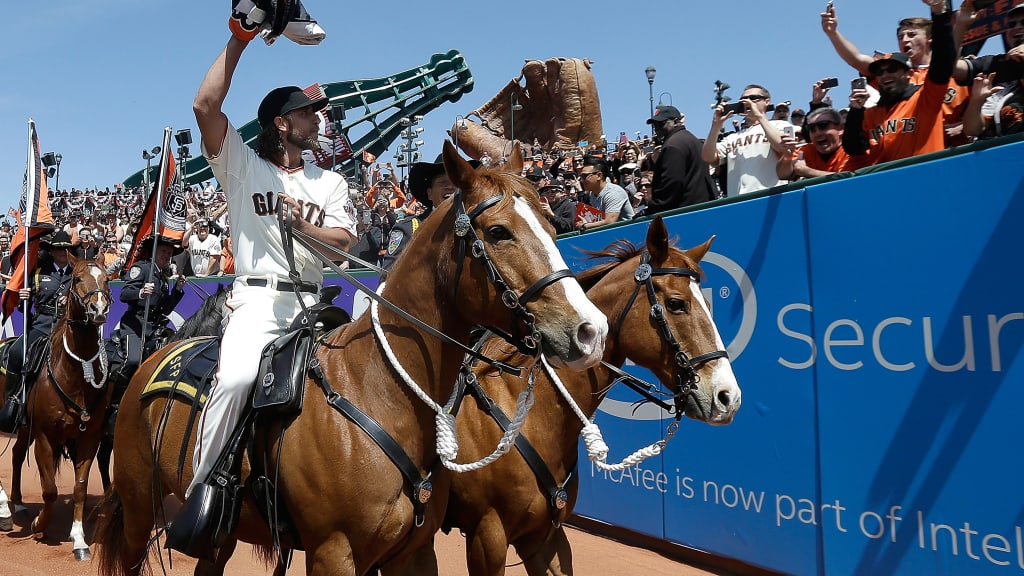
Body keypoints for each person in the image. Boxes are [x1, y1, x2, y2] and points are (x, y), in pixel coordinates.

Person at [185, 30, 357, 505]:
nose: (314, 119)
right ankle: (203, 492)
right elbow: (204, 107)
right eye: (304, 113)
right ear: (281, 124)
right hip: (259, 301)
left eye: (313, 112)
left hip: (315, 303)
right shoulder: (243, 166)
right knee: (238, 379)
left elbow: (343, 245)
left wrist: (306, 228)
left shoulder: (332, 181)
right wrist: (239, 40)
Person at [821, 2, 970, 146]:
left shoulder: (958, 70)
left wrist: (963, 126)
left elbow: (983, 104)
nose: (905, 40)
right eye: (900, 37)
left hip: (955, 148)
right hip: (910, 145)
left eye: (912, 35)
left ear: (930, 38)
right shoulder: (894, 70)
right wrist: (833, 33)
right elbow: (857, 59)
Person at [843, 1, 955, 166]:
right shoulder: (872, 112)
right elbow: (854, 148)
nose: (885, 75)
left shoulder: (925, 98)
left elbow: (943, 61)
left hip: (927, 178)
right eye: (880, 72)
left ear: (909, 73)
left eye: (892, 69)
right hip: (887, 185)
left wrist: (939, 14)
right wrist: (855, 111)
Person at [0, 231, 75, 432]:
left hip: (68, 328)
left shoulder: (77, 274)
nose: (62, 252)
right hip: (41, 325)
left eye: (66, 248)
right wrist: (23, 299)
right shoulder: (38, 273)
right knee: (16, 354)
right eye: (58, 248)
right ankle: (13, 402)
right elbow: (25, 309)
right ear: (52, 251)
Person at [106, 235, 185, 417]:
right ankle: (115, 404)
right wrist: (140, 292)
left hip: (154, 327)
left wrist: (178, 290)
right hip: (135, 325)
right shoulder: (141, 268)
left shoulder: (163, 277)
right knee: (132, 360)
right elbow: (125, 294)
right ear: (155, 251)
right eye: (164, 251)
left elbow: (165, 308)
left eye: (170, 253)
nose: (168, 255)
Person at [702, 85, 790, 197]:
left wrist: (759, 115)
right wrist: (716, 126)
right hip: (739, 202)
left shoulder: (780, 125)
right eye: (743, 100)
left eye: (753, 98)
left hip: (771, 197)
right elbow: (707, 157)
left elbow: (782, 147)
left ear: (767, 101)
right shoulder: (732, 137)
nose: (747, 102)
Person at [381, 154, 457, 270]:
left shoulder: (475, 226)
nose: (450, 187)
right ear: (430, 193)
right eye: (443, 182)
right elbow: (388, 275)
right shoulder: (409, 229)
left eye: (455, 183)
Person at [963, 4, 1024, 139]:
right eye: (1012, 24)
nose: (1017, 27)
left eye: (1023, 22)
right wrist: (976, 101)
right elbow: (973, 129)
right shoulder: (1001, 83)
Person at [645, 105, 717, 213]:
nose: (657, 128)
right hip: (700, 209)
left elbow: (671, 185)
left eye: (661, 123)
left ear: (676, 122)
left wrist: (652, 208)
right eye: (655, 125)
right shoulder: (690, 138)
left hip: (684, 213)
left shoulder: (673, 145)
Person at [574, 155, 634, 231]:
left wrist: (585, 226)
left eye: (585, 176)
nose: (582, 180)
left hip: (628, 235)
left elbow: (610, 222)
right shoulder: (592, 194)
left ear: (599, 175)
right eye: (581, 176)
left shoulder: (614, 192)